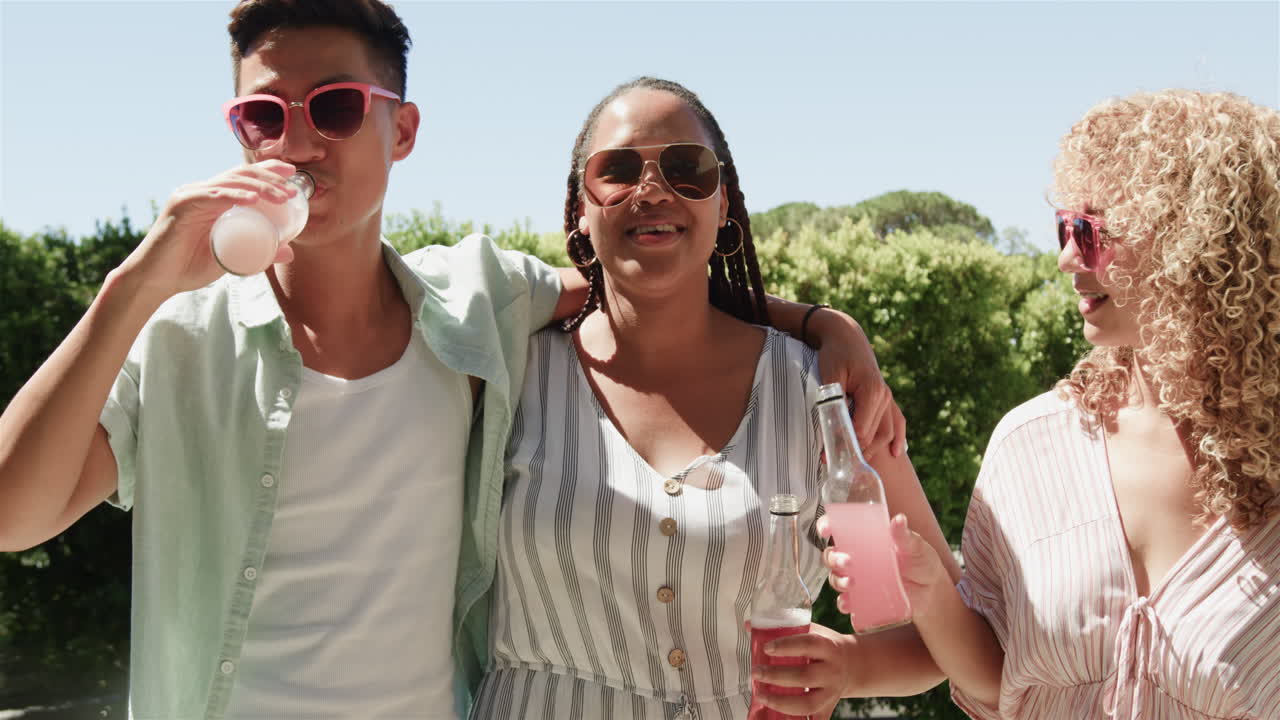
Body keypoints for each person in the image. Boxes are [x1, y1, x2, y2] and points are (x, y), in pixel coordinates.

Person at [0, 4, 901, 719]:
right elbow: (13, 516)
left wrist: (824, 327)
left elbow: (645, 282)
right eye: (263, 115)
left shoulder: (475, 306)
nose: (298, 143)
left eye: (336, 107)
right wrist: (131, 288)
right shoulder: (178, 339)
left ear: (402, 130)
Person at [467, 77, 958, 720]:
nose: (651, 190)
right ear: (580, 208)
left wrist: (852, 666)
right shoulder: (508, 375)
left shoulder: (817, 397)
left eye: (686, 169)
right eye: (617, 170)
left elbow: (939, 627)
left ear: (723, 202)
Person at [825, 89, 1280, 719]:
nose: (1067, 257)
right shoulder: (1032, 444)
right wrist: (927, 591)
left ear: (1197, 246)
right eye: (1066, 228)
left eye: (1092, 231)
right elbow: (997, 680)